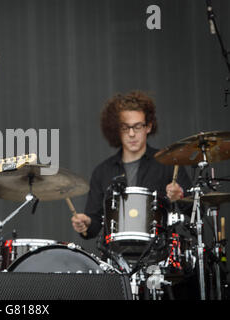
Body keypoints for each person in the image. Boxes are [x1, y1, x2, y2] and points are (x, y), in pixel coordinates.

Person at [71, 90, 198, 298]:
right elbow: (94, 224)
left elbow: (194, 211)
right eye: (125, 127)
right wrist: (85, 224)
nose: (131, 133)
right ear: (116, 129)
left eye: (137, 126)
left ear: (148, 127)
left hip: (159, 259)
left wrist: (181, 197)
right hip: (116, 261)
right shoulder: (102, 171)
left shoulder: (167, 164)